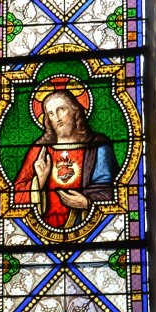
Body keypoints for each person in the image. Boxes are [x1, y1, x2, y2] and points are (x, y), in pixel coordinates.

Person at [14, 89, 118, 229]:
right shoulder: (39, 151)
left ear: (75, 111)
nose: (57, 117)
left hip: (89, 225)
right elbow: (15, 197)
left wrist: (88, 202)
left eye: (61, 109)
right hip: (42, 228)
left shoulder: (97, 147)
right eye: (51, 113)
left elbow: (112, 190)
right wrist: (39, 181)